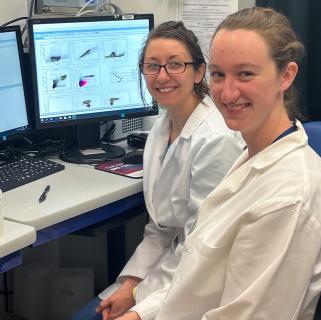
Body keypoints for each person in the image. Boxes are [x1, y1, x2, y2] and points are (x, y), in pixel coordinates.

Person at [152, 7, 321, 320]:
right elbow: (196, 273)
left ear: (286, 75)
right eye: (218, 74)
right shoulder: (254, 153)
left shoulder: (286, 199)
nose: (227, 93)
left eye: (245, 74)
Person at [70, 21, 243, 320]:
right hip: (169, 270)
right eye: (153, 66)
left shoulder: (216, 139)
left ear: (199, 72)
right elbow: (160, 230)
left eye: (175, 64)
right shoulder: (162, 129)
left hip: (205, 284)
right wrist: (130, 284)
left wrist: (139, 305)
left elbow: (200, 249)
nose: (162, 76)